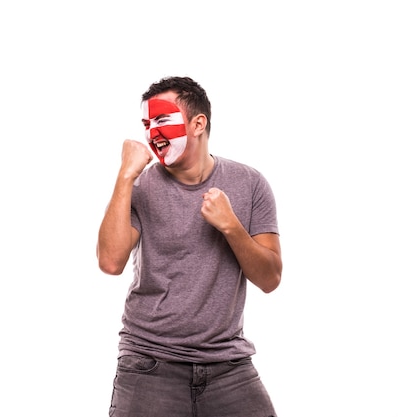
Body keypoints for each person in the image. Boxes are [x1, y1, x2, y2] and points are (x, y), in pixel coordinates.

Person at [97, 76, 281, 417]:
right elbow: (110, 262)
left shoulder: (251, 184)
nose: (153, 132)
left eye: (162, 120)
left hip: (229, 365)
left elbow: (270, 279)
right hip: (149, 362)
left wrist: (231, 227)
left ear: (198, 124)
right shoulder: (139, 186)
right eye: (147, 123)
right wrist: (125, 176)